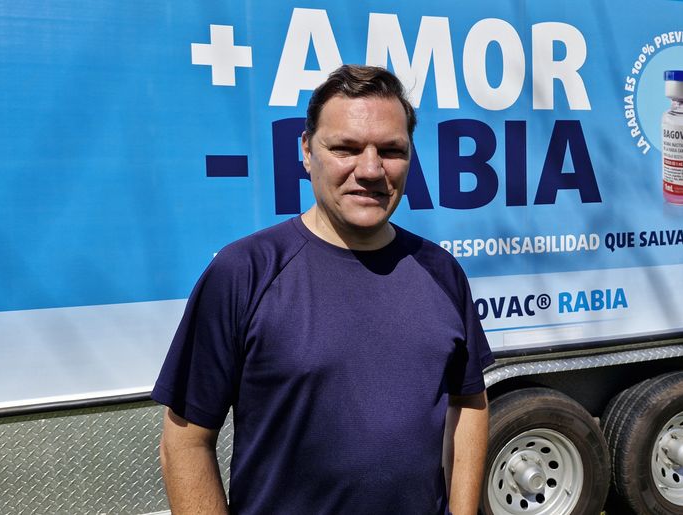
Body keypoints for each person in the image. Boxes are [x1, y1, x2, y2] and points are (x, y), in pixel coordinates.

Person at [153, 64, 494, 515]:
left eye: (391, 150)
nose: (370, 170)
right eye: (346, 148)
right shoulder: (244, 273)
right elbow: (184, 442)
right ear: (307, 151)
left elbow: (469, 400)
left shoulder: (440, 271)